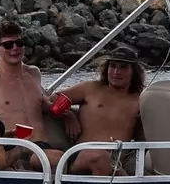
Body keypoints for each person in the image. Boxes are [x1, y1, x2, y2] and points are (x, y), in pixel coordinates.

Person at [52, 44, 148, 175]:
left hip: (118, 161)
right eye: (112, 66)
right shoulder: (90, 88)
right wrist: (68, 115)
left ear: (134, 72)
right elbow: (54, 98)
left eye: (123, 67)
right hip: (82, 156)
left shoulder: (141, 99)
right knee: (99, 157)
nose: (116, 72)